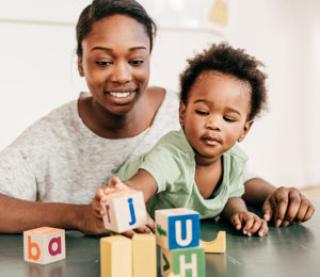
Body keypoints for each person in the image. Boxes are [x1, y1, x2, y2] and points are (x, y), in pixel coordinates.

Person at [0, 0, 314, 234]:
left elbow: (235, 176)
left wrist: (277, 194)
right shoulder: (51, 136)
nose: (122, 75)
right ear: (81, 63)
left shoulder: (192, 111)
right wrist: (79, 216)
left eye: (136, 59)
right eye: (103, 61)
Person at [96, 43, 270, 237]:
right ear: (182, 113)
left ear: (244, 129)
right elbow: (138, 188)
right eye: (203, 112)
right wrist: (123, 196)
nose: (213, 123)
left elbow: (229, 196)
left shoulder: (235, 160)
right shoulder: (172, 155)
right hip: (115, 209)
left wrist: (240, 213)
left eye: (228, 118)